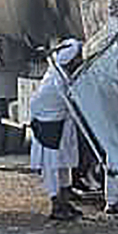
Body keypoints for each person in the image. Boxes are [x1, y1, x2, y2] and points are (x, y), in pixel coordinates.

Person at [30, 39, 85, 221]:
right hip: (49, 128)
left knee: (64, 165)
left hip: (62, 124)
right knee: (53, 167)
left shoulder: (59, 73)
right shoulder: (58, 81)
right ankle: (56, 206)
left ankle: (65, 202)